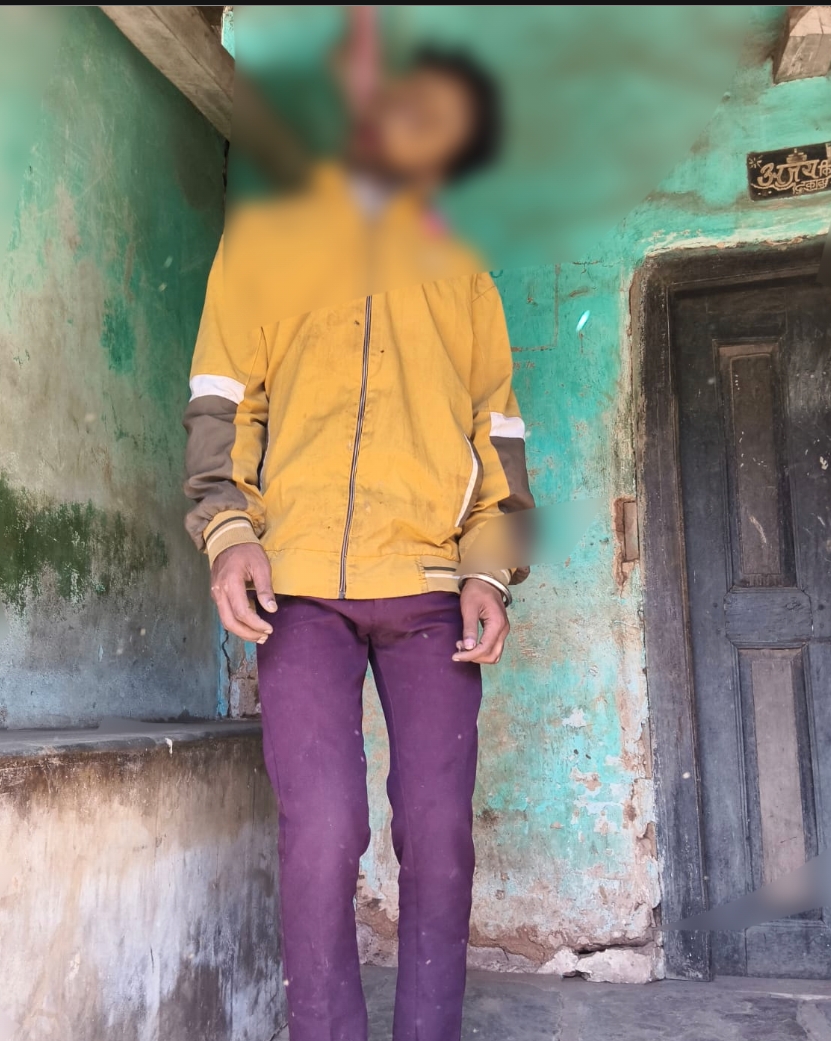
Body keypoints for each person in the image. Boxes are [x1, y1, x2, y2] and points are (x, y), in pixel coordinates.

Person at [183, 46, 534, 1041]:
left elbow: (497, 437)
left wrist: (488, 569)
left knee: (439, 835)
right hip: (300, 591)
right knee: (324, 831)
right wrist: (228, 531)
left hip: (430, 592)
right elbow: (222, 405)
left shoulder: (460, 270)